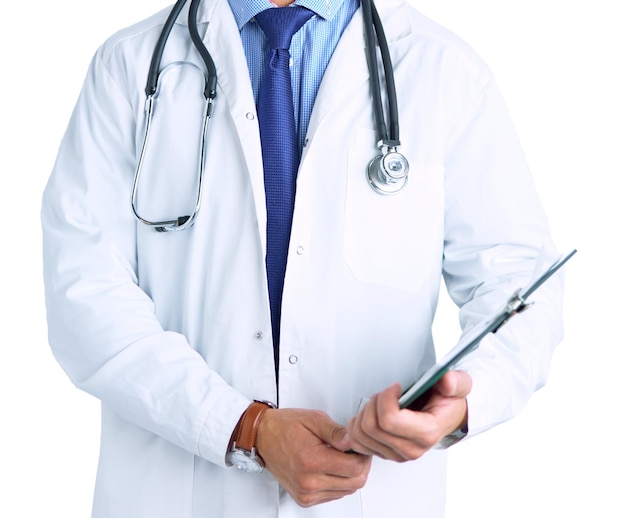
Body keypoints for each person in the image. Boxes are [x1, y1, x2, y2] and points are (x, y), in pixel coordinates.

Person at [41, 0, 564, 516]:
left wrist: (460, 401)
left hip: (372, 495)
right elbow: (84, 297)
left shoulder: (444, 71)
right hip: (174, 495)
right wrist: (246, 427)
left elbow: (519, 283)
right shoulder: (127, 67)